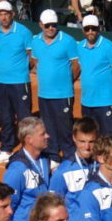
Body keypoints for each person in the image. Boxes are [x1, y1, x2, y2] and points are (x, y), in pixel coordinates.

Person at [0, 0, 34, 164]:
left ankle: (28, 150)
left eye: (6, 13)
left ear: (12, 15)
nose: (4, 17)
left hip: (20, 82)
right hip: (1, 82)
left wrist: (22, 69)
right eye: (0, 14)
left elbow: (32, 55)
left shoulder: (24, 32)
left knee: (24, 119)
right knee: (5, 118)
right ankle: (6, 148)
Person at [30, 9, 79, 158]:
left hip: (63, 94)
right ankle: (53, 157)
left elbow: (76, 65)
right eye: (47, 25)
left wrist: (65, 82)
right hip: (44, 93)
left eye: (54, 25)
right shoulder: (35, 41)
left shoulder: (68, 40)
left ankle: (70, 157)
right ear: (40, 25)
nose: (51, 28)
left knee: (65, 130)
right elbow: (36, 61)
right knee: (48, 129)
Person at [3, 115, 53, 221]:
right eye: (42, 134)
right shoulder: (16, 170)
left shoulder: (44, 159)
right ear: (29, 139)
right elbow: (9, 203)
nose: (47, 136)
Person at [77, 14, 112, 134]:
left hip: (106, 101)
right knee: (90, 135)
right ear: (83, 30)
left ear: (99, 28)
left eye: (93, 28)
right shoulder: (80, 47)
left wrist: (108, 84)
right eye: (87, 29)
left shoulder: (109, 46)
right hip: (86, 101)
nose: (90, 31)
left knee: (108, 137)